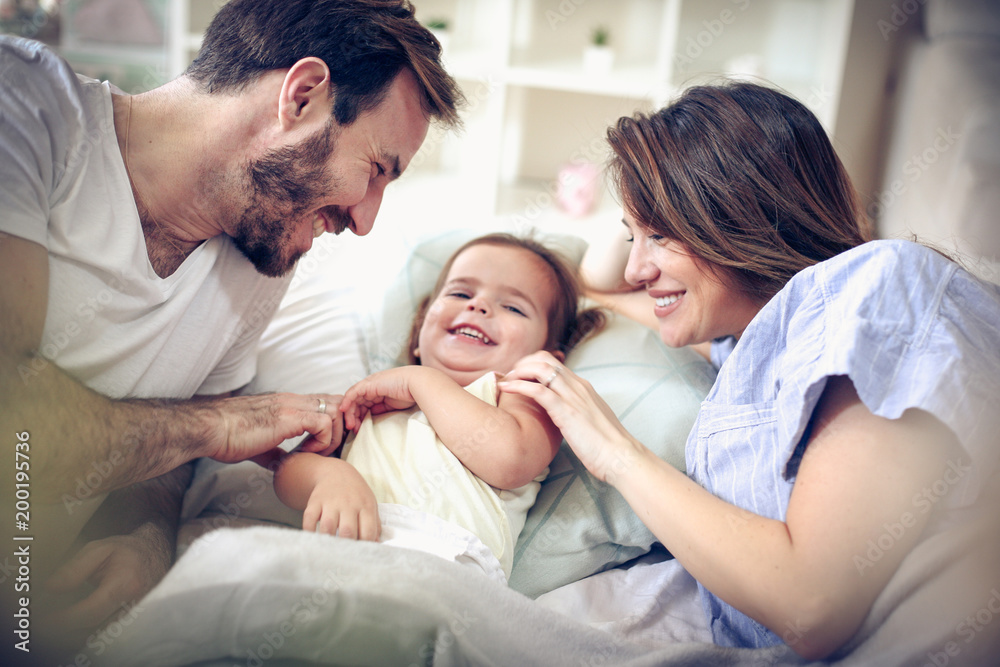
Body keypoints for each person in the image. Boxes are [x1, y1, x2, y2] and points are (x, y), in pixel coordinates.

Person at [0, 0, 461, 652]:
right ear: (301, 96)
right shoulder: (23, 105)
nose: (365, 220)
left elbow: (164, 450)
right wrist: (217, 424)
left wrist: (146, 538)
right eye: (377, 170)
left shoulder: (260, 258)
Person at [499, 82, 1000, 662]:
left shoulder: (878, 288)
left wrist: (615, 452)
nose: (636, 267)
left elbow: (809, 604)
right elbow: (594, 288)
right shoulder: (748, 345)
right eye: (631, 236)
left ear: (738, 212)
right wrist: (643, 208)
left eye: (659, 234)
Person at [273, 234, 604, 582]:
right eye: (460, 293)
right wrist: (330, 477)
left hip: (444, 568)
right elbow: (285, 473)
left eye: (513, 307)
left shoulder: (518, 393)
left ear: (545, 359)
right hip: (340, 555)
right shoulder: (374, 401)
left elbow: (511, 460)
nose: (478, 306)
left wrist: (420, 381)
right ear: (419, 330)